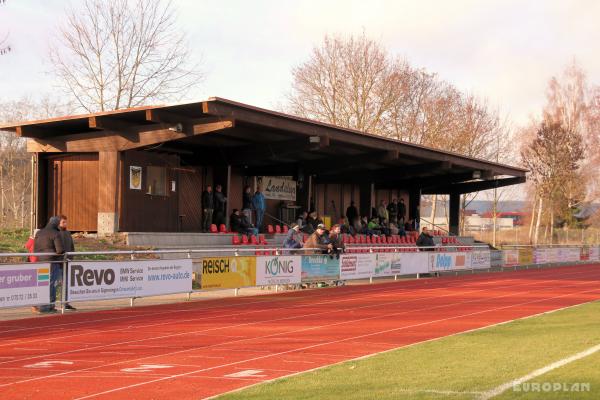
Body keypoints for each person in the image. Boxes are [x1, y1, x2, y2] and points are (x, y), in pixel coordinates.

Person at [33, 216, 65, 313]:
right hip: (51, 262)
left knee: (41, 284)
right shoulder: (55, 233)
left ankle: (41, 305)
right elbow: (60, 250)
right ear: (56, 224)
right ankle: (47, 306)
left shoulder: (39, 232)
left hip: (40, 262)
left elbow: (35, 249)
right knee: (51, 284)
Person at [58, 215, 76, 311]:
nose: (65, 224)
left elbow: (72, 247)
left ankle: (65, 303)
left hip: (67, 262)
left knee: (67, 283)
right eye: (63, 222)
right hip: (59, 262)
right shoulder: (56, 233)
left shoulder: (68, 233)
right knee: (56, 283)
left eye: (66, 222)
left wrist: (71, 257)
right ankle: (51, 304)